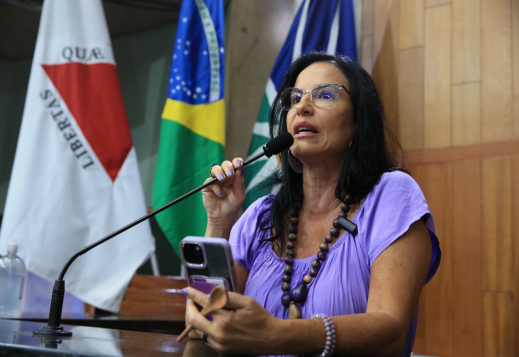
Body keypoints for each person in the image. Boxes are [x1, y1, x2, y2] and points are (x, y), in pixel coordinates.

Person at [183, 52, 441, 357]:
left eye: (325, 95)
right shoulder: (261, 216)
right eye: (294, 99)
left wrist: (279, 335)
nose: (302, 107)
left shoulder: (392, 195)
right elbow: (205, 324)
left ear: (359, 122)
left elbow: (390, 332)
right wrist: (219, 223)